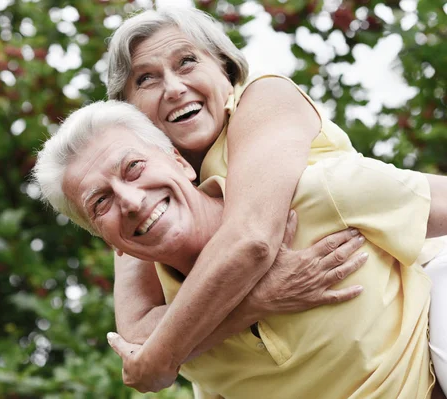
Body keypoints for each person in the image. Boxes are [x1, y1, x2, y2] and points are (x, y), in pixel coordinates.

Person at [104, 6, 447, 394]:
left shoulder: (264, 98)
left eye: (187, 62)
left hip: (428, 309)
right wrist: (252, 304)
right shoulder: (141, 198)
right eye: (146, 79)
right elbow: (137, 338)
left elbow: (249, 239)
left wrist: (163, 356)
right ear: (129, 112)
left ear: (224, 69)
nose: (173, 88)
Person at [32, 100, 447, 398]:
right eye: (100, 202)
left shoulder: (317, 194)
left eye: (134, 168)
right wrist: (257, 300)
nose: (132, 200)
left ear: (179, 161)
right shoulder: (163, 337)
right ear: (105, 241)